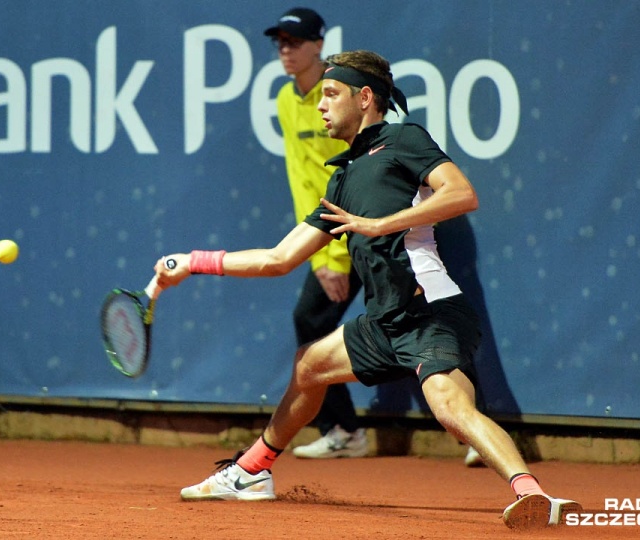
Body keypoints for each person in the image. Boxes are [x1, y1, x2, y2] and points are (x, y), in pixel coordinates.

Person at [154, 50, 581, 529]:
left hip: (431, 313)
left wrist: (383, 224)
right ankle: (250, 472)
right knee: (309, 366)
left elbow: (462, 193)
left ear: (365, 98)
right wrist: (192, 262)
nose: (321, 106)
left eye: (331, 95)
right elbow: (278, 260)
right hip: (383, 321)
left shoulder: (403, 139)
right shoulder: (341, 180)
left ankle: (534, 495)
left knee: (448, 406)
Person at [265, 7, 367, 459]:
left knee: (426, 316)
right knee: (310, 321)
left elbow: (356, 171)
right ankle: (344, 429)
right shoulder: (286, 100)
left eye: (294, 41)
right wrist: (320, 255)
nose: (285, 50)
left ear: (318, 45)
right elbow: (301, 179)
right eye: (280, 42)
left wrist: (338, 257)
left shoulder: (338, 92)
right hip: (332, 232)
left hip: (377, 226)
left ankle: (473, 424)